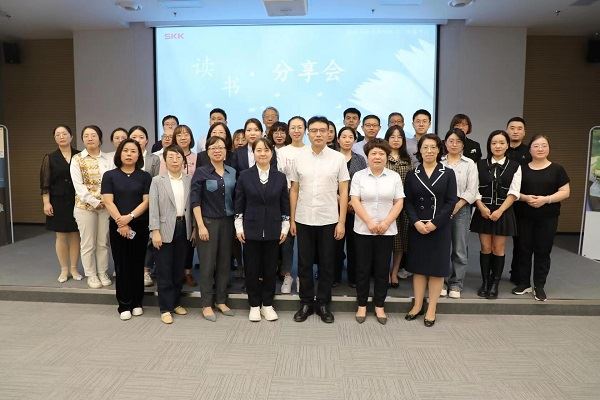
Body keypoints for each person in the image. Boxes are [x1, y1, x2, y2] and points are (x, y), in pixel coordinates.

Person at [290, 116, 350, 323]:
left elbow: (344, 191)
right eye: (314, 130)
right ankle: (306, 303)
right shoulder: (299, 158)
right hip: (304, 218)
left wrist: (341, 221)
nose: (318, 134)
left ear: (328, 133)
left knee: (327, 264)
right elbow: (294, 189)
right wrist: (292, 220)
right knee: (304, 264)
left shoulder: (338, 158)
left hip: (329, 218)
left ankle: (323, 303)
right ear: (308, 133)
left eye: (322, 130)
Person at [404, 134, 457, 327]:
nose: (429, 151)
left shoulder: (448, 173)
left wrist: (435, 223)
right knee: (418, 269)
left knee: (436, 270)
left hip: (439, 227)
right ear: (419, 150)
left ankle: (432, 308)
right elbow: (408, 202)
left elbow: (451, 202)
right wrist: (416, 222)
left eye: (433, 147)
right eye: (425, 147)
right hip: (418, 227)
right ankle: (418, 305)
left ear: (439, 150)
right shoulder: (412, 174)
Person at [235, 138, 290, 321]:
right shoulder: (244, 175)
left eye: (266, 150)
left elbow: (284, 204)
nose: (263, 153)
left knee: (270, 269)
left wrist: (285, 226)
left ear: (271, 153)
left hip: (274, 229)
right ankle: (254, 305)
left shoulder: (280, 177)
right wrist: (238, 226)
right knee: (251, 269)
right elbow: (239, 203)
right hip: (250, 229)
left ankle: (267, 304)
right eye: (258, 150)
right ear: (254, 153)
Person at [350, 139, 404, 325]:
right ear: (367, 156)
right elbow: (355, 200)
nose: (377, 157)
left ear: (387, 156)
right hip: (363, 230)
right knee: (362, 268)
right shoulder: (359, 176)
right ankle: (362, 304)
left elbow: (399, 202)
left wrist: (386, 222)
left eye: (381, 153)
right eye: (373, 153)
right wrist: (369, 222)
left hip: (386, 231)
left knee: (382, 269)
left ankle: (380, 305)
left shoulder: (394, 177)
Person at [513, 135, 570, 301]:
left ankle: (539, 286)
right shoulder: (521, 169)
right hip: (524, 216)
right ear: (529, 149)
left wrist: (546, 199)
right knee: (523, 249)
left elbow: (565, 192)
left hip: (548, 217)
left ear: (548, 148)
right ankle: (524, 283)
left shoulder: (557, 169)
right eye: (536, 146)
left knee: (543, 251)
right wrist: (526, 198)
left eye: (544, 145)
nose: (540, 149)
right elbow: (513, 192)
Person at [101, 139, 151, 320]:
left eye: (133, 151)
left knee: (137, 264)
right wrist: (121, 222)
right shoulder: (109, 175)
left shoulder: (145, 176)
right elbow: (108, 201)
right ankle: (124, 304)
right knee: (122, 265)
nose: (129, 154)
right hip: (117, 226)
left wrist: (129, 217)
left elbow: (147, 201)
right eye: (126, 150)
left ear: (139, 155)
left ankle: (137, 302)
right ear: (119, 153)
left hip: (139, 225)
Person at [470, 130, 521, 300]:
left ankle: (495, 284)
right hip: (483, 210)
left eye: (501, 143)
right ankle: (485, 282)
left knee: (498, 248)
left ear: (507, 145)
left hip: (503, 211)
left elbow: (514, 192)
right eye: (494, 143)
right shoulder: (479, 164)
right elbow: (474, 189)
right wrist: (481, 207)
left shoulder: (515, 166)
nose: (497, 146)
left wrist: (500, 211)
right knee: (485, 247)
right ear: (489, 145)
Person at [191, 136, 237, 321]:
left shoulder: (232, 172)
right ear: (207, 152)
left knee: (225, 263)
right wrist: (200, 225)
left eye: (221, 147)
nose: (217, 150)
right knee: (208, 265)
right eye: (213, 148)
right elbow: (195, 201)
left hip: (228, 223)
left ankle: (221, 301)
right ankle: (206, 304)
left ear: (226, 151)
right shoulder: (201, 172)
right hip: (207, 223)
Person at [149, 145, 193, 324]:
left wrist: (194, 228)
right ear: (165, 161)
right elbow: (153, 207)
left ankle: (175, 303)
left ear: (183, 160)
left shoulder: (189, 179)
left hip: (184, 227)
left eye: (178, 157)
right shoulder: (157, 181)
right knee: (164, 269)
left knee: (178, 268)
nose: (175, 160)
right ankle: (165, 308)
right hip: (164, 228)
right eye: (171, 157)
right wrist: (155, 231)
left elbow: (192, 206)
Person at [70, 125, 114, 289]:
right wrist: (95, 202)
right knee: (88, 243)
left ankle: (102, 272)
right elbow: (78, 186)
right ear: (82, 139)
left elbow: (112, 181)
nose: (90, 138)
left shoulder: (108, 159)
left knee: (103, 242)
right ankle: (91, 274)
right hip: (84, 207)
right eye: (86, 135)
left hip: (106, 207)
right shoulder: (77, 159)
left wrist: (106, 202)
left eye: (93, 135)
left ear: (100, 138)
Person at [40, 125, 81, 283]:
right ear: (54, 138)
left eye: (64, 134)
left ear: (71, 136)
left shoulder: (79, 155)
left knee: (75, 234)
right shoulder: (50, 157)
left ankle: (74, 268)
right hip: (58, 201)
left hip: (77, 200)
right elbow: (45, 183)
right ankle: (64, 269)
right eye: (58, 134)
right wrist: (46, 202)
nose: (61, 136)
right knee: (61, 235)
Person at [440, 128, 478, 299]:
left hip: (461, 208)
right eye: (451, 141)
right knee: (441, 246)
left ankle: (456, 283)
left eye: (458, 141)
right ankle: (440, 281)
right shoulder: (439, 162)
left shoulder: (469, 164)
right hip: (441, 209)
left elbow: (472, 190)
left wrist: (456, 206)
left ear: (463, 144)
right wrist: (446, 209)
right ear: (445, 143)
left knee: (459, 248)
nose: (454, 144)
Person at [276, 116, 307, 294]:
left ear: (305, 130)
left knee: (305, 240)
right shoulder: (282, 152)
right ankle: (287, 274)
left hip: (307, 200)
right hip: (286, 198)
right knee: (287, 238)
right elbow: (280, 177)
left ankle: (303, 276)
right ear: (289, 130)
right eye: (293, 127)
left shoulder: (310, 150)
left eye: (300, 127)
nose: (296, 131)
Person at [129, 125, 161, 287]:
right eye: (134, 137)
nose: (138, 140)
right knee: (131, 237)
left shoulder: (154, 159)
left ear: (147, 141)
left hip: (149, 203)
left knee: (148, 238)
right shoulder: (124, 157)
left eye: (141, 137)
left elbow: (156, 182)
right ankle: (131, 268)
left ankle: (146, 270)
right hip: (129, 204)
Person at [335, 126, 367, 287]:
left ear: (355, 140)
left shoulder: (360, 159)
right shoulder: (332, 157)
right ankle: (334, 277)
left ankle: (354, 278)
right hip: (333, 206)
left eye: (350, 137)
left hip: (354, 208)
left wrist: (352, 201)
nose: (347, 140)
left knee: (355, 245)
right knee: (335, 244)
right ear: (338, 139)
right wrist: (340, 199)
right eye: (344, 137)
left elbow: (363, 183)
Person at [383, 125, 413, 286]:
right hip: (385, 206)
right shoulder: (382, 157)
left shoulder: (408, 161)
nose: (396, 140)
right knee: (386, 241)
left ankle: (394, 272)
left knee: (400, 242)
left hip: (403, 207)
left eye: (399, 137)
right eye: (392, 137)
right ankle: (384, 272)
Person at [505, 117, 531, 284]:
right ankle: (492, 276)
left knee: (521, 242)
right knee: (496, 241)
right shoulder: (500, 148)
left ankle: (518, 275)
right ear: (507, 130)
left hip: (522, 201)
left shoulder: (529, 151)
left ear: (524, 132)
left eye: (519, 128)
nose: (515, 131)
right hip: (501, 202)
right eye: (512, 128)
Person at [171, 124, 198, 286]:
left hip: (192, 202)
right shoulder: (169, 156)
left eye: (186, 134)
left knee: (189, 239)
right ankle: (176, 271)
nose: (183, 137)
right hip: (173, 203)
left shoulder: (197, 158)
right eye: (179, 134)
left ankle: (187, 272)